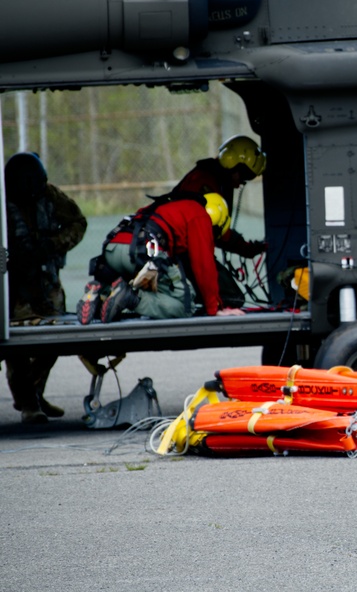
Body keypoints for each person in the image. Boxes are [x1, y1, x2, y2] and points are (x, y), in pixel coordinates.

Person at [4, 152, 87, 423]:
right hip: (11, 285)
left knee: (53, 339)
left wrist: (51, 244)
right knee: (15, 344)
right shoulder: (3, 201)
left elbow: (78, 223)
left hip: (46, 281)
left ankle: (34, 394)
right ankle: (28, 403)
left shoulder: (50, 195)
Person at [83, 193, 244, 323]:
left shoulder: (169, 205)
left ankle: (99, 294)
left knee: (149, 284)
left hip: (112, 248)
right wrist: (214, 309)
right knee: (184, 306)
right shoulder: (200, 215)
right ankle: (131, 297)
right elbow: (203, 265)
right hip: (143, 251)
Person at [171, 135, 267, 258]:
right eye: (243, 176)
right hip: (181, 250)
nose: (239, 185)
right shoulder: (204, 183)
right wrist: (246, 248)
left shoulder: (211, 178)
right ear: (232, 163)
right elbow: (218, 232)